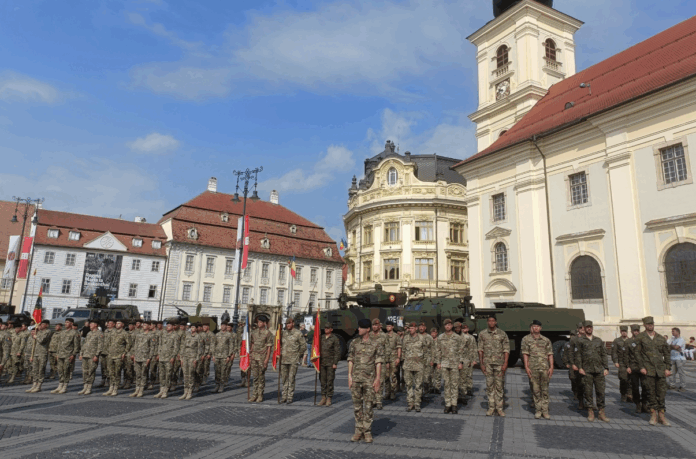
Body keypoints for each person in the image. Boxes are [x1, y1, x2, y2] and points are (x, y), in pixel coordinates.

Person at [348, 318, 383, 443]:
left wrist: (377, 379)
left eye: (361, 327)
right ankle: (358, 430)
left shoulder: (376, 344)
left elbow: (378, 362)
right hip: (356, 379)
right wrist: (349, 376)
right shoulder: (354, 343)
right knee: (357, 407)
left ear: (368, 329)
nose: (359, 329)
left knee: (368, 407)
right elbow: (350, 359)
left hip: (369, 380)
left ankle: (367, 431)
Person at [634, 316, 671, 426]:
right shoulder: (640, 337)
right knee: (651, 393)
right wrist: (641, 367)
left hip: (660, 370)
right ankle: (653, 415)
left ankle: (662, 415)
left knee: (662, 393)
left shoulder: (660, 338)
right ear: (644, 325)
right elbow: (637, 354)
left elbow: (667, 353)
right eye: (648, 324)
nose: (650, 326)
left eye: (652, 324)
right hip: (648, 370)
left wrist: (668, 368)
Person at [575, 320, 609, 422]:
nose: (589, 329)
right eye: (587, 327)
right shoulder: (580, 341)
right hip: (587, 370)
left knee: (601, 392)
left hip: (599, 370)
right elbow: (578, 355)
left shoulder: (598, 340)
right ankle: (590, 412)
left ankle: (601, 412)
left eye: (591, 327)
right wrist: (580, 367)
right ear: (584, 328)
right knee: (588, 392)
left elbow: (603, 354)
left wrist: (606, 368)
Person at [521, 320, 553, 419]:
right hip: (533, 368)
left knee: (545, 390)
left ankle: (545, 411)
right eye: (534, 326)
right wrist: (526, 367)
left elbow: (550, 354)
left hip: (544, 368)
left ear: (540, 328)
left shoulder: (546, 340)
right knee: (536, 390)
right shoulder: (526, 339)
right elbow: (525, 354)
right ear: (532, 328)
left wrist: (551, 367)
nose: (536, 328)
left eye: (538, 326)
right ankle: (538, 410)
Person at [478, 316, 509, 417]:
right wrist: (481, 364)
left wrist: (505, 363)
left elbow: (506, 349)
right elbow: (480, 350)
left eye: (493, 321)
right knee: (489, 386)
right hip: (487, 364)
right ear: (487, 322)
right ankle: (491, 407)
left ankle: (499, 408)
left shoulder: (502, 334)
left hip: (499, 363)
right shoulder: (482, 334)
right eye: (489, 321)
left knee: (499, 386)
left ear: (496, 322)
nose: (491, 322)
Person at [436, 319, 463, 414]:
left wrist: (460, 362)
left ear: (452, 326)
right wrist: (438, 362)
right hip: (444, 363)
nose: (448, 326)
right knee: (446, 384)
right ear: (444, 326)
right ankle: (448, 404)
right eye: (446, 325)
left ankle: (454, 404)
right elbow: (438, 350)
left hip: (455, 363)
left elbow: (460, 350)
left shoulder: (457, 337)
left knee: (454, 384)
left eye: (449, 325)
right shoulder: (440, 337)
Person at [400, 322, 426, 412]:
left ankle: (417, 403)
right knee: (409, 385)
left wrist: (424, 363)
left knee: (418, 385)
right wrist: (404, 360)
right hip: (408, 365)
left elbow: (426, 351)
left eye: (412, 328)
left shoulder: (422, 338)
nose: (410, 330)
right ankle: (410, 403)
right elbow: (403, 350)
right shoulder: (406, 338)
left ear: (416, 329)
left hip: (419, 365)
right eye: (409, 328)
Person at [280, 318, 305, 404]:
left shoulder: (298, 333)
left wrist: (298, 355)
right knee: (284, 378)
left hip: (293, 360)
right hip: (284, 359)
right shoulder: (283, 333)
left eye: (289, 323)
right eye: (286, 324)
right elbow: (279, 344)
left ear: (293, 323)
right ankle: (284, 396)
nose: (288, 325)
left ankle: (290, 397)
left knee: (291, 378)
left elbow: (303, 346)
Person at [52, 318, 80, 395]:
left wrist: (73, 354)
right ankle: (60, 385)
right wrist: (57, 354)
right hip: (60, 354)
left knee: (66, 370)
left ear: (71, 324)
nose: (66, 324)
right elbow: (59, 344)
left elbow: (76, 345)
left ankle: (65, 386)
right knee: (60, 370)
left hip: (68, 354)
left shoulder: (74, 333)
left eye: (67, 322)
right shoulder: (62, 332)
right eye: (65, 322)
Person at [103, 319, 130, 397]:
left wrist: (124, 353)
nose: (117, 325)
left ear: (122, 325)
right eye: (117, 323)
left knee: (117, 372)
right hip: (110, 355)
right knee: (110, 372)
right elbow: (108, 342)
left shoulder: (125, 333)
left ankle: (115, 388)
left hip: (118, 356)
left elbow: (129, 344)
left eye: (119, 323)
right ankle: (111, 387)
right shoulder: (112, 332)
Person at [249, 315, 273, 403]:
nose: (258, 323)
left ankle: (260, 395)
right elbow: (252, 343)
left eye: (260, 322)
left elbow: (269, 347)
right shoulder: (254, 332)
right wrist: (250, 354)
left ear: (264, 323)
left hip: (262, 357)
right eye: (258, 322)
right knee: (255, 377)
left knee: (261, 377)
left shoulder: (268, 333)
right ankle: (254, 395)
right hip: (254, 356)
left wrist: (267, 359)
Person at [624, 324, 647, 413]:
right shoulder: (628, 341)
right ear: (632, 332)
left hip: (643, 366)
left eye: (637, 331)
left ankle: (644, 403)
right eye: (634, 331)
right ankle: (637, 404)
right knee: (635, 386)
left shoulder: (643, 340)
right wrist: (627, 366)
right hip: (633, 366)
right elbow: (626, 355)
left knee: (645, 386)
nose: (636, 332)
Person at [25, 320, 52, 393]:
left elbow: (42, 340)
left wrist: (36, 336)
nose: (40, 326)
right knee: (35, 370)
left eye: (42, 324)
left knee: (41, 370)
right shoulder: (38, 332)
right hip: (36, 353)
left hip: (42, 353)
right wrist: (32, 355)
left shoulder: (47, 332)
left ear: (46, 325)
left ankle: (39, 385)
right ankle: (34, 384)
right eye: (40, 324)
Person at [154, 322, 180, 399]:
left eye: (169, 326)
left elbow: (176, 347)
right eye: (167, 325)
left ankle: (165, 390)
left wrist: (173, 357)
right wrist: (158, 353)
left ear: (173, 327)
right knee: (161, 374)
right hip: (162, 357)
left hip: (169, 357)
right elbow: (160, 344)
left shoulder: (175, 335)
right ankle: (161, 390)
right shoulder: (163, 334)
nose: (167, 327)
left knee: (168, 374)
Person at [179, 323, 203, 400]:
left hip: (192, 358)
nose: (192, 329)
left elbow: (200, 349)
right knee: (185, 374)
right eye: (191, 327)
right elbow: (183, 347)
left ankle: (190, 392)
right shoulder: (187, 336)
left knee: (191, 374)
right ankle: (185, 392)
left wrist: (196, 359)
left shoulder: (198, 337)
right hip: (185, 357)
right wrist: (181, 358)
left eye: (193, 327)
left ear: (196, 328)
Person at [78, 320, 103, 395]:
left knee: (91, 371)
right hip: (85, 354)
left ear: (96, 325)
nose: (90, 325)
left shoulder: (99, 334)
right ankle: (85, 387)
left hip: (92, 355)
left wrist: (97, 355)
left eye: (92, 324)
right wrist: (81, 353)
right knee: (84, 371)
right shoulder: (89, 333)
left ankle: (89, 387)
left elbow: (100, 345)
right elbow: (84, 344)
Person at [129, 320, 154, 398]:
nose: (143, 326)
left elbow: (152, 348)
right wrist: (134, 355)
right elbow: (135, 345)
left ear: (149, 326)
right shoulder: (139, 335)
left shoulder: (151, 335)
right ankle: (137, 389)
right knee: (137, 374)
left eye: (145, 325)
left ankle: (141, 390)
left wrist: (149, 358)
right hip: (138, 357)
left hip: (145, 357)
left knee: (143, 374)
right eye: (143, 325)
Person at [318, 323, 340, 406]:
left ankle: (329, 398)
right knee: (322, 380)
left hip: (330, 363)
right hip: (322, 363)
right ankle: (323, 397)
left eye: (328, 328)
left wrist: (335, 363)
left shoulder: (334, 338)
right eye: (325, 328)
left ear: (331, 329)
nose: (326, 329)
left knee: (330, 380)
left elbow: (337, 352)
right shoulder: (321, 337)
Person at [369, 319, 388, 409]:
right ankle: (373, 400)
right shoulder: (369, 335)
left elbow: (387, 349)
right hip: (371, 361)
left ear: (379, 326)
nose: (374, 327)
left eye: (376, 325)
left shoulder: (384, 336)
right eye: (373, 325)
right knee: (371, 381)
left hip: (381, 361)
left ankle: (379, 401)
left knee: (380, 381)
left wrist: (387, 361)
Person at [611, 325, 632, 402]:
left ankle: (629, 394)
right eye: (622, 331)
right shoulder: (617, 341)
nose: (624, 333)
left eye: (625, 331)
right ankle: (623, 394)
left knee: (630, 379)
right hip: (621, 362)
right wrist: (615, 361)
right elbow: (614, 352)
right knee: (623, 379)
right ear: (620, 332)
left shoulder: (630, 340)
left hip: (630, 362)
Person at [212, 321, 234, 393]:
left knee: (223, 371)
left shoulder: (229, 335)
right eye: (221, 325)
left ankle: (222, 385)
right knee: (217, 371)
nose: (222, 327)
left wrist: (229, 355)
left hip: (224, 355)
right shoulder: (217, 334)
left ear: (226, 326)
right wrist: (213, 355)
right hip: (217, 355)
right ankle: (217, 385)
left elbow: (231, 345)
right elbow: (214, 344)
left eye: (224, 325)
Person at [383, 320, 400, 401]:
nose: (388, 327)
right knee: (386, 377)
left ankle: (393, 392)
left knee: (393, 376)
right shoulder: (384, 336)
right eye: (387, 326)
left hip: (393, 357)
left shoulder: (396, 336)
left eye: (389, 326)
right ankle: (387, 392)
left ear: (392, 327)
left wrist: (398, 358)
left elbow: (399, 347)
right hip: (386, 358)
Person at [460, 323, 477, 402]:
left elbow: (474, 348)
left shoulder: (471, 338)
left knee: (469, 375)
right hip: (463, 359)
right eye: (463, 328)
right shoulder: (460, 337)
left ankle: (469, 388)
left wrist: (474, 359)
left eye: (466, 328)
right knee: (462, 376)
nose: (465, 330)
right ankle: (463, 391)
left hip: (469, 358)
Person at [667, 327, 687, 392]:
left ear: (678, 332)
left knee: (681, 373)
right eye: (672, 331)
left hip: (680, 358)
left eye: (673, 331)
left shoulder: (681, 339)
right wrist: (673, 346)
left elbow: (676, 347)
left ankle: (683, 386)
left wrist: (672, 346)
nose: (672, 333)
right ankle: (672, 385)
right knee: (672, 372)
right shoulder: (672, 339)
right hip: (672, 358)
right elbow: (668, 346)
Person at [418, 322, 434, 395]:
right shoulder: (416, 336)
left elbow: (433, 349)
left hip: (427, 360)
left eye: (422, 327)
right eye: (420, 326)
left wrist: (432, 360)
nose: (421, 328)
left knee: (426, 378)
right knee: (418, 378)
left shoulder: (429, 337)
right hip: (418, 360)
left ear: (425, 328)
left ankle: (426, 390)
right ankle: (420, 393)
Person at [197, 323, 214, 389]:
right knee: (200, 367)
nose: (203, 328)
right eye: (203, 326)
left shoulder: (211, 334)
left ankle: (205, 378)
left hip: (207, 353)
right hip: (201, 353)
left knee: (206, 366)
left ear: (208, 327)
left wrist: (210, 353)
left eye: (205, 326)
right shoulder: (201, 334)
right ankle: (200, 379)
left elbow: (212, 345)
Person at [430, 327, 441, 394]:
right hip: (430, 360)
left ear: (436, 333)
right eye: (432, 333)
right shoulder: (429, 340)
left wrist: (440, 361)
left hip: (438, 360)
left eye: (434, 333)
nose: (433, 334)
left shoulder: (440, 340)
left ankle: (437, 388)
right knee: (431, 375)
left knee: (438, 375)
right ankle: (431, 387)